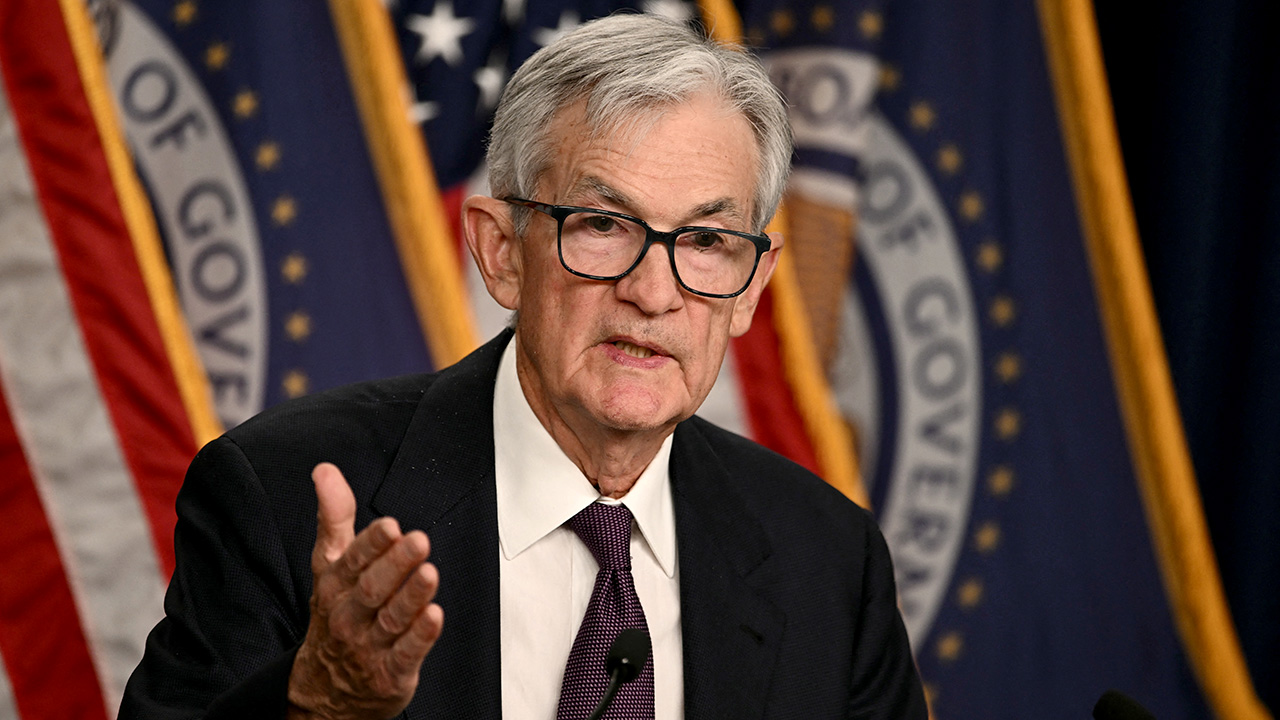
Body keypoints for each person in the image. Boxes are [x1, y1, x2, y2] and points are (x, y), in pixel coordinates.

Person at [119, 12, 926, 720]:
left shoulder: (829, 563)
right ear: (503, 252)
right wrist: (318, 704)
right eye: (603, 225)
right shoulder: (279, 499)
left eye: (707, 241)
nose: (653, 293)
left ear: (750, 286)